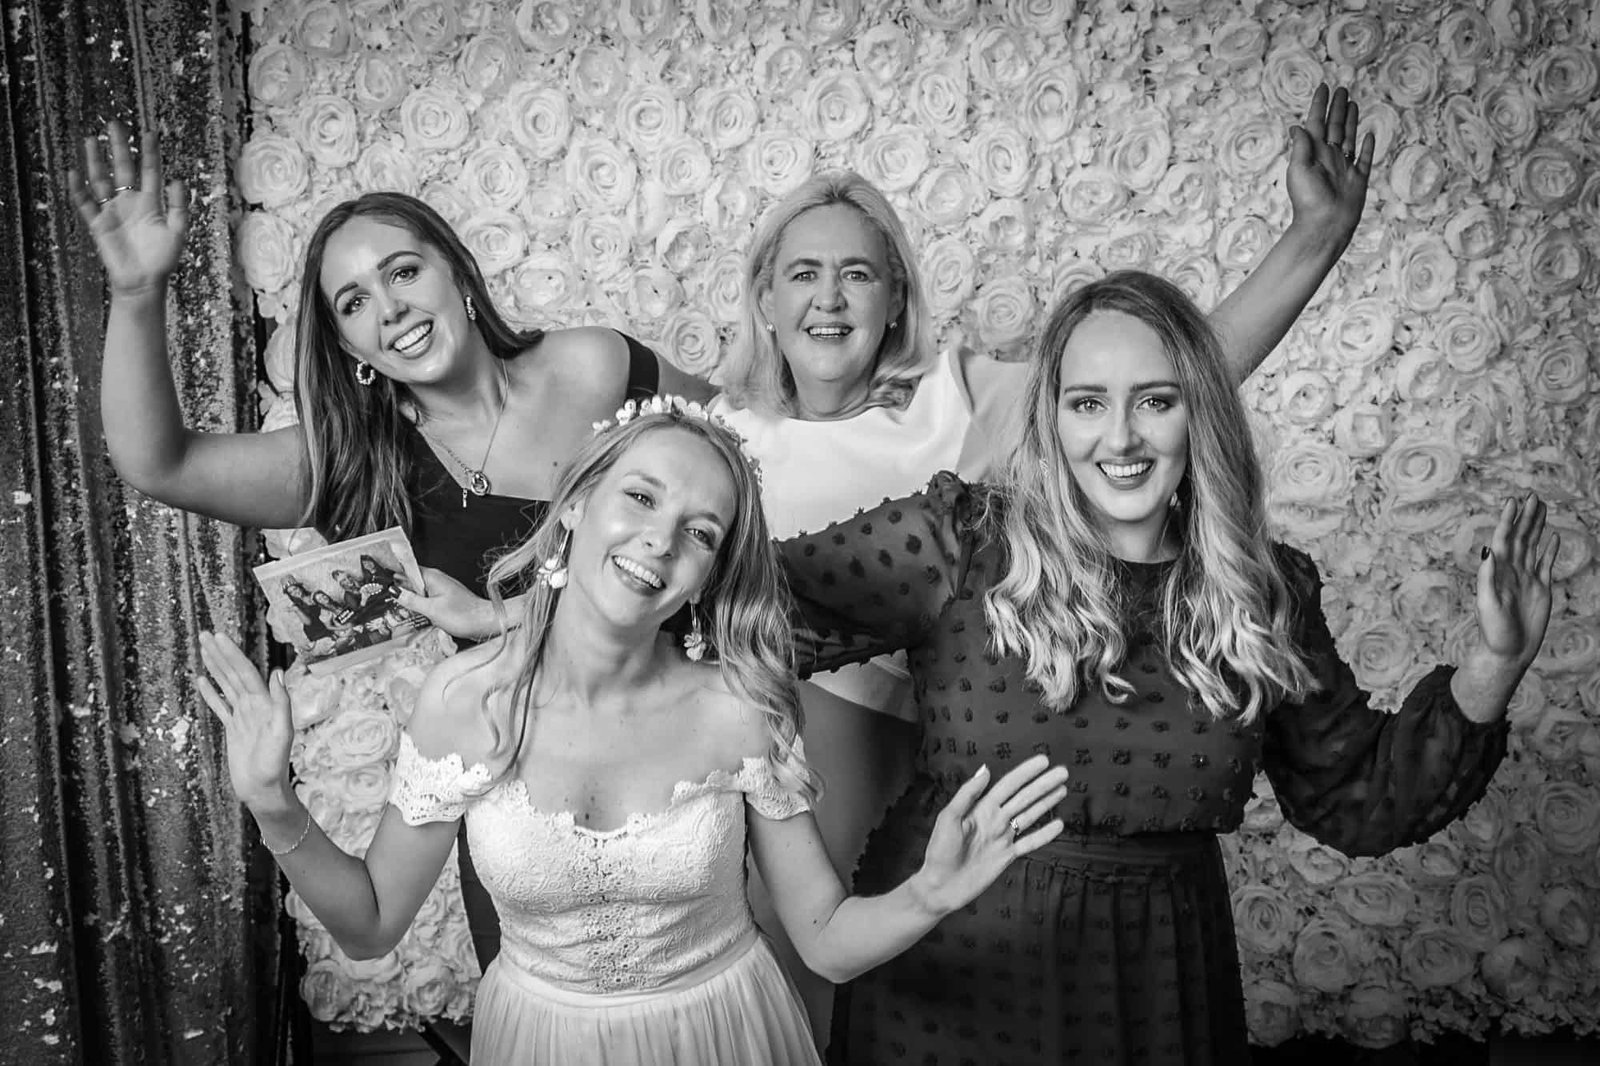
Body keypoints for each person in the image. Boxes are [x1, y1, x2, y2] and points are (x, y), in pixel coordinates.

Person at [711, 84, 1380, 1038]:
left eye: (857, 272)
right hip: (761, 764)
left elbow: (1170, 380)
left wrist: (1312, 241)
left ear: (896, 293)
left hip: (935, 782)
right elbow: (656, 573)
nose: (829, 297)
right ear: (763, 295)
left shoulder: (963, 400)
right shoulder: (716, 432)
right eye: (803, 272)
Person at [775, 271, 1558, 1064]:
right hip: (951, 980)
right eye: (1087, 403)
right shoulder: (961, 543)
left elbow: (1359, 793)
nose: (1120, 439)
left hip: (1157, 985)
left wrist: (1495, 662)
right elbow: (751, 616)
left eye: (1155, 400)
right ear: (1051, 417)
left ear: (1200, 414)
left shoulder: (1262, 591)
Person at [193, 399, 1071, 1066]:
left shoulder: (741, 707)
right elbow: (371, 926)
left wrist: (933, 891)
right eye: (640, 497)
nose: (658, 541)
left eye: (698, 533)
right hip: (540, 1043)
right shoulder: (464, 701)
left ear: (705, 577)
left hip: (725, 1034)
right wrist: (273, 804)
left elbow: (827, 945)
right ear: (575, 504)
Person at [68, 121, 710, 967]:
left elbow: (740, 467)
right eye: (354, 302)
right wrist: (137, 294)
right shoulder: (356, 468)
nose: (390, 308)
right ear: (348, 348)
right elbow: (161, 462)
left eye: (402, 271)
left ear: (457, 272)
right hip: (527, 813)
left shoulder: (594, 365)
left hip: (684, 771)